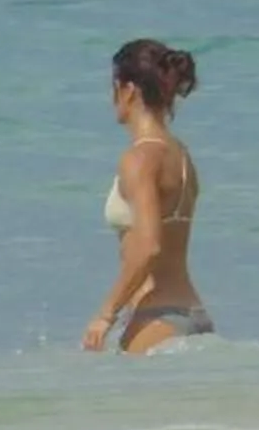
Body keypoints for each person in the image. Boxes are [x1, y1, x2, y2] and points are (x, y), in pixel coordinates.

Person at [84, 38, 213, 352]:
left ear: (127, 90)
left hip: (157, 316)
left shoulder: (138, 159)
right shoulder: (181, 156)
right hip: (194, 313)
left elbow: (149, 245)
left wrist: (106, 314)